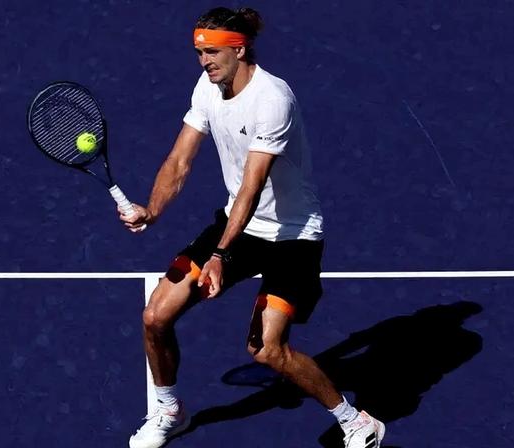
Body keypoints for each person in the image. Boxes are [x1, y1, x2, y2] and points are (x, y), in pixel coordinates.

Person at [120, 7, 385, 448]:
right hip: (239, 226)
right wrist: (152, 209)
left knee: (266, 349)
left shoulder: (272, 99)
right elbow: (180, 160)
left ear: (239, 49)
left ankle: (355, 420)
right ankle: (169, 410)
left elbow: (251, 185)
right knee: (155, 316)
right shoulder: (207, 88)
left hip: (290, 238)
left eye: (212, 53)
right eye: (199, 53)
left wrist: (221, 256)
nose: (203, 62)